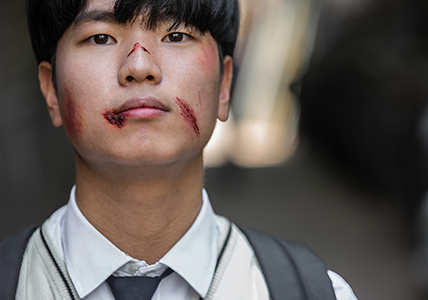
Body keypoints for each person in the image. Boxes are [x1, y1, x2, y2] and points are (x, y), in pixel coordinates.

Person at [1, 0, 358, 299]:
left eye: (176, 35)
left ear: (225, 84)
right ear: (51, 90)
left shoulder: (313, 292)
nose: (139, 67)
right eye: (100, 37)